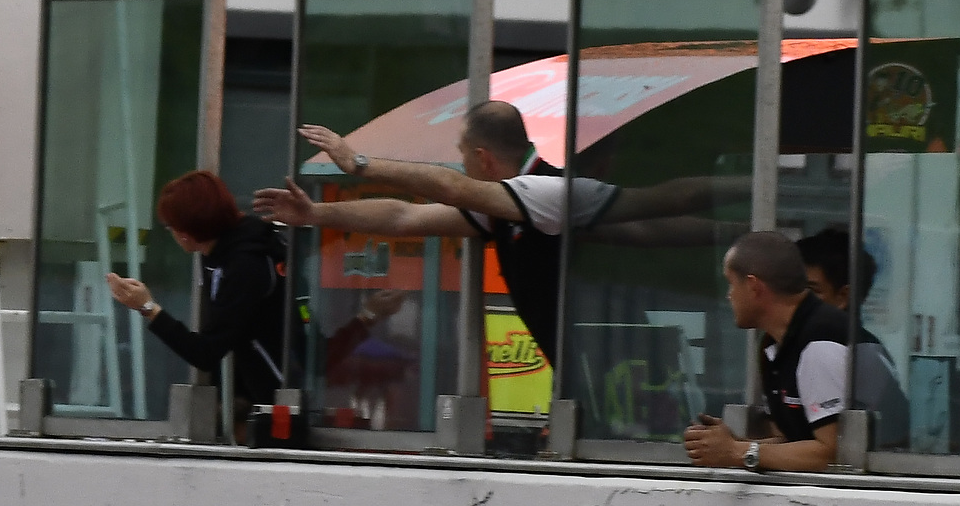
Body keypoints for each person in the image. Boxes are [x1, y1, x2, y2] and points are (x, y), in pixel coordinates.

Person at [250, 102, 740, 370]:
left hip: (598, 361)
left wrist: (359, 163)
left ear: (483, 158)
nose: (461, 163)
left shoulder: (544, 191)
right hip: (577, 365)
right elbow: (404, 217)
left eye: (463, 153)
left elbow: (450, 187)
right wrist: (315, 213)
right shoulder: (502, 207)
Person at [104, 171, 291, 405]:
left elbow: (206, 352)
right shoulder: (223, 251)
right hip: (267, 389)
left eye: (169, 227)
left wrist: (148, 307)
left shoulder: (245, 265)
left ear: (184, 233)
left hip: (284, 394)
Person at [683, 230, 848, 473]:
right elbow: (793, 443)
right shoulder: (774, 344)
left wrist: (737, 451)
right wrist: (733, 445)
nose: (729, 295)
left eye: (731, 283)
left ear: (753, 286)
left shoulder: (819, 343)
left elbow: (833, 454)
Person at [798, 226, 901, 436]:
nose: (796, 300)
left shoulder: (861, 355)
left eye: (811, 291)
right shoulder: (786, 345)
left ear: (843, 297)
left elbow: (835, 444)